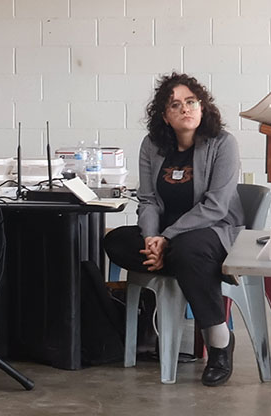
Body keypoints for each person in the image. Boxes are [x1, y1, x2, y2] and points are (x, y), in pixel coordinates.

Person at [102, 74, 245, 386]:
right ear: (165, 116)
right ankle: (177, 264)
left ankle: (219, 341)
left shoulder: (223, 143)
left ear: (202, 107)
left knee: (188, 251)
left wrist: (167, 237)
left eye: (191, 102)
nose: (185, 109)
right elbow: (148, 199)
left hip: (214, 230)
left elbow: (216, 206)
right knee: (116, 242)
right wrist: (151, 238)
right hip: (166, 236)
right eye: (175, 105)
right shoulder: (152, 146)